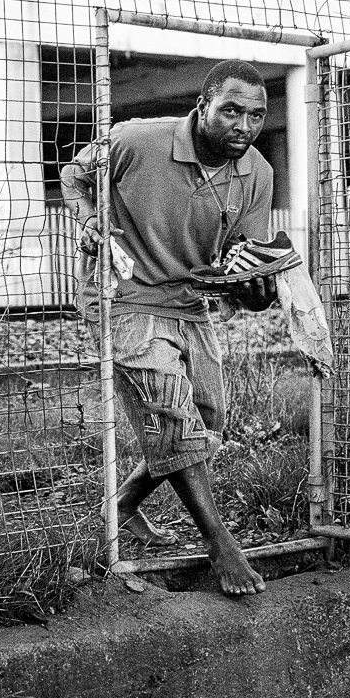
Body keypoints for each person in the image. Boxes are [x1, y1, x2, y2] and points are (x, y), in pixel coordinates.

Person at [60, 59, 276, 596]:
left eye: (255, 115)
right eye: (230, 110)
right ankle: (221, 545)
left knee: (208, 425)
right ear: (201, 106)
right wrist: (90, 222)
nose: (243, 126)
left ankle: (121, 506)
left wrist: (254, 291)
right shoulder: (137, 141)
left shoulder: (258, 172)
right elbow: (74, 175)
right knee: (174, 421)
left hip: (190, 301)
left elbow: (236, 258)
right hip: (123, 296)